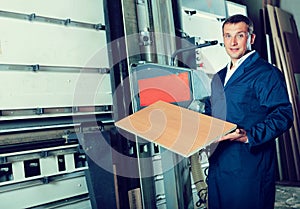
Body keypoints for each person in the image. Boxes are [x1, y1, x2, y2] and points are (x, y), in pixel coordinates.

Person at [204, 14, 294, 209]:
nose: (233, 42)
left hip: (249, 164)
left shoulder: (266, 74)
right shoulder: (219, 76)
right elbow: (213, 110)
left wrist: (250, 136)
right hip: (220, 162)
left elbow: (283, 113)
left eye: (240, 35)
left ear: (251, 39)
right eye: (228, 36)